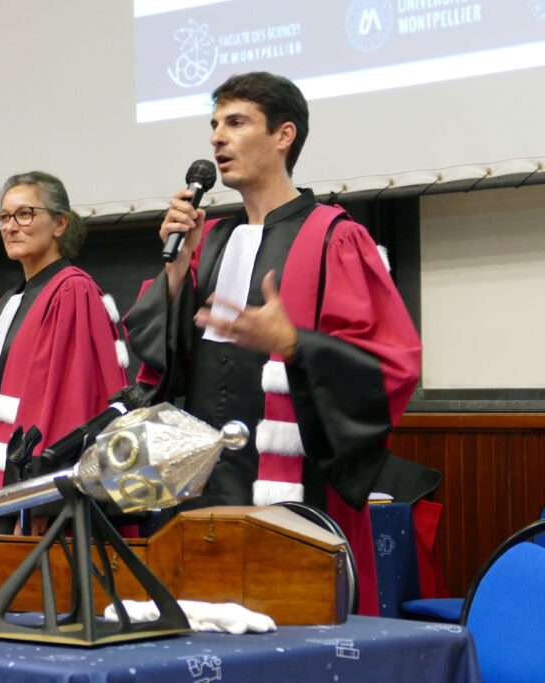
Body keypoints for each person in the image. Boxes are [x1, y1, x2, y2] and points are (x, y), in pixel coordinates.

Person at [124, 72, 422, 615]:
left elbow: (391, 367)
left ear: (284, 135)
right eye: (215, 124)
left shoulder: (334, 236)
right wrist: (177, 270)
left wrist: (296, 343)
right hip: (204, 493)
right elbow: (162, 366)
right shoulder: (211, 240)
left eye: (236, 123)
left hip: (296, 491)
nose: (217, 137)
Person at [0, 172, 129, 534]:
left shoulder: (72, 292)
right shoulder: (10, 302)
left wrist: (42, 501)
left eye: (25, 214)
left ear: (60, 223)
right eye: (4, 217)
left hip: (33, 507)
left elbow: (72, 403)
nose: (10, 227)